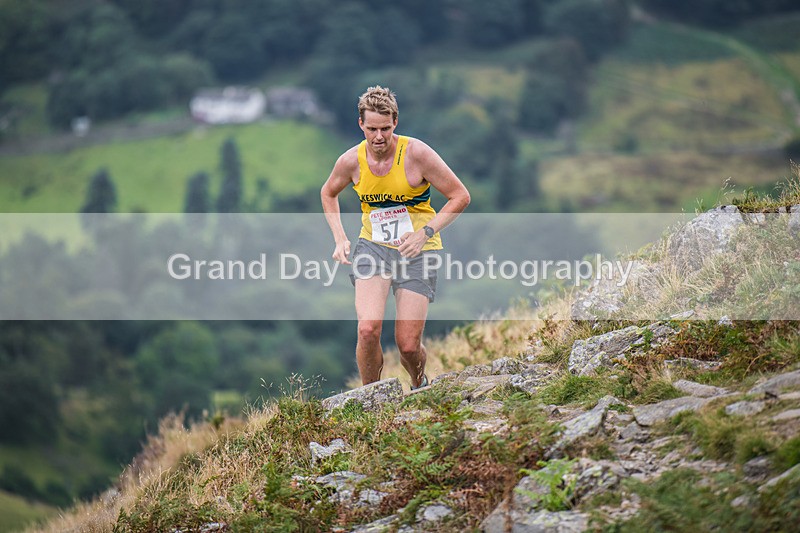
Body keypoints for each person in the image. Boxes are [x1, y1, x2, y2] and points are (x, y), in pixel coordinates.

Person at [321, 85, 470, 389]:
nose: (378, 137)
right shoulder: (351, 161)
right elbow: (328, 192)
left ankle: (418, 385)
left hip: (417, 250)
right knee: (367, 330)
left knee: (408, 345)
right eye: (372, 128)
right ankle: (370, 397)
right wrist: (339, 237)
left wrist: (425, 232)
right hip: (373, 247)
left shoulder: (417, 154)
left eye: (385, 128)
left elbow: (460, 196)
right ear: (361, 124)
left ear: (395, 123)